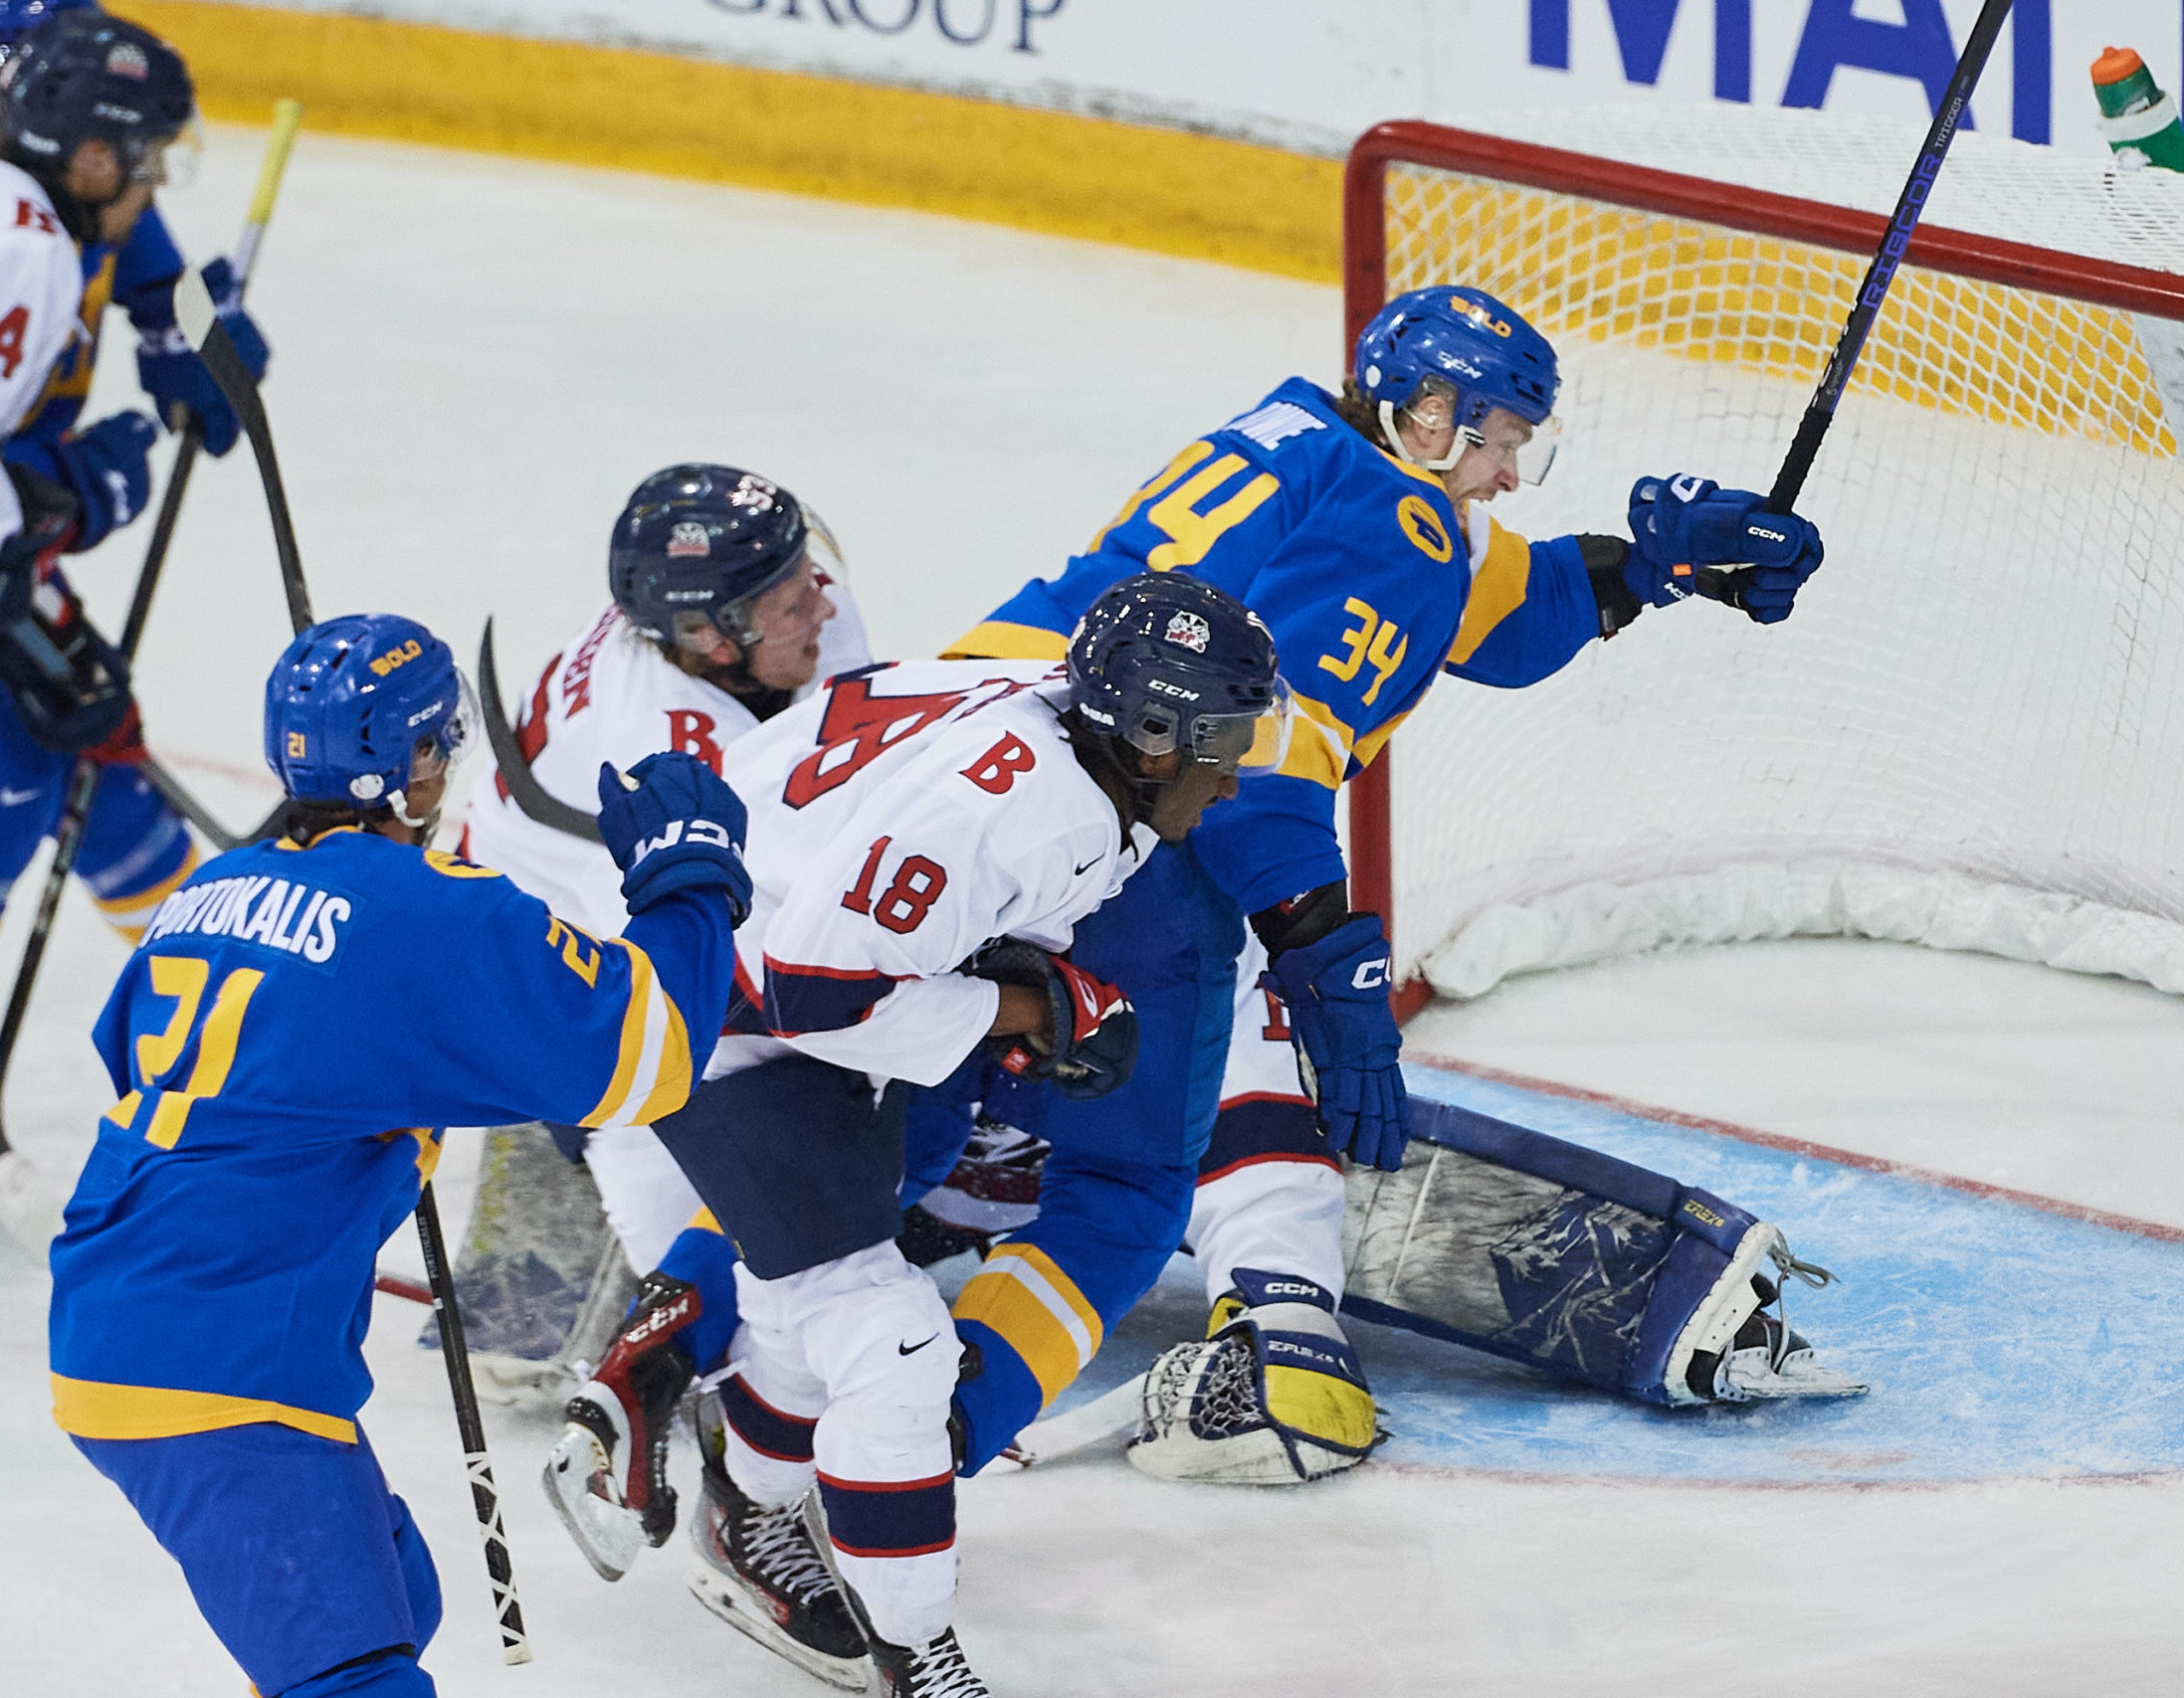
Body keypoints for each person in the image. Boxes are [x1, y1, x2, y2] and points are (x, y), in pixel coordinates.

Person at [938, 284, 1827, 1482]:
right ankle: (1280, 1343)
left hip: (965, 763)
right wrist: (1322, 947)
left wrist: (1664, 566)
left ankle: (901, 1193)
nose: (1510, 475)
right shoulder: (1389, 520)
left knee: (947, 1046)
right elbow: (1257, 757)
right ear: (1430, 413)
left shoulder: (1309, 449)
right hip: (1088, 813)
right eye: (1503, 442)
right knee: (1248, 1041)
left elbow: (1510, 611)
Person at [47, 612, 749, 1697]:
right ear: (417, 762)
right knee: (354, 1673)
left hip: (136, 1316)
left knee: (390, 1601)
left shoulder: (207, 889)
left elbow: (138, 1060)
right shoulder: (424, 915)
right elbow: (648, 1058)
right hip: (220, 1370)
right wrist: (690, 881)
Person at [621, 572, 1282, 1695]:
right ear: (1152, 730)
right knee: (896, 1351)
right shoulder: (1029, 810)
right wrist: (1023, 1006)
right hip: (711, 1009)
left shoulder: (1063, 728)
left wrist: (1021, 984)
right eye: (1221, 738)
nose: (1234, 773)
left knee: (805, 1312)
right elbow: (811, 993)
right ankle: (920, 1662)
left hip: (745, 950)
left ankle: (741, 1489)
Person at [447, 467, 865, 1541]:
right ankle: (637, 1309)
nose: (817, 599)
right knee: (780, 1153)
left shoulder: (758, 618)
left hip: (592, 909)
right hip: (548, 966)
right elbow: (690, 992)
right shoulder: (664, 755)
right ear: (710, 637)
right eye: (785, 599)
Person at [0, 8, 232, 944]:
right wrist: (71, 494)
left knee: (78, 737)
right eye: (143, 164)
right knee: (19, 765)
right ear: (93, 162)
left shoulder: (30, 210)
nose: (153, 189)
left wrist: (170, 301)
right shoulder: (23, 251)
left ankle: (217, 1013)